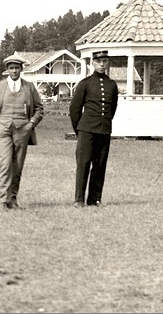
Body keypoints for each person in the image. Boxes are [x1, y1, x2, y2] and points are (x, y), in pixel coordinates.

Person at [0, 53, 44, 210]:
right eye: (11, 68)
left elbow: (39, 108)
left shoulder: (29, 87)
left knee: (17, 165)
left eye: (17, 68)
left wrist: (31, 123)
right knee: (5, 164)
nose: (14, 71)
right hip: (3, 129)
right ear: (7, 70)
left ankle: (13, 199)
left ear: (21, 69)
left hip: (22, 129)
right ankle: (3, 200)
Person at [69, 50, 119, 208]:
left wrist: (106, 123)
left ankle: (94, 199)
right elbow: (74, 110)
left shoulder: (112, 84)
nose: (102, 64)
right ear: (93, 63)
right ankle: (79, 199)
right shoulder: (85, 83)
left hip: (104, 130)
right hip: (87, 130)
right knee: (83, 164)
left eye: (105, 61)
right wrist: (80, 130)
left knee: (100, 165)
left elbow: (113, 109)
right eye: (99, 62)